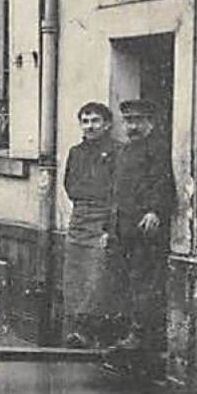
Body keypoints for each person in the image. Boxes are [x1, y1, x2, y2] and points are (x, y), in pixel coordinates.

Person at [110, 98, 176, 354]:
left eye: (138, 120)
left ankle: (142, 336)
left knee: (144, 282)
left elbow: (163, 181)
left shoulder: (158, 148)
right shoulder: (124, 151)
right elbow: (115, 191)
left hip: (145, 228)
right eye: (128, 121)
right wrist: (109, 227)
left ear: (151, 121)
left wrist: (154, 210)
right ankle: (130, 332)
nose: (132, 126)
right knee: (127, 281)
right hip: (123, 227)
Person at [60, 101, 119, 348]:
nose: (90, 126)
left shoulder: (118, 151)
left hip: (103, 219)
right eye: (85, 121)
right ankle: (77, 331)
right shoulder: (76, 152)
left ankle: (94, 334)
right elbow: (69, 184)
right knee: (75, 276)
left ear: (107, 124)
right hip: (79, 218)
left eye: (95, 121)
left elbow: (118, 190)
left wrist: (109, 226)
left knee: (97, 277)